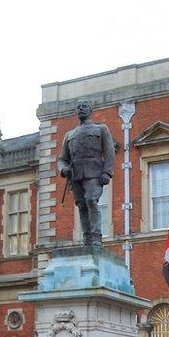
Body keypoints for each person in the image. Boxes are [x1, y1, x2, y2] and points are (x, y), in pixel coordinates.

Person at [58, 100, 115, 247]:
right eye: (78, 108)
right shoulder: (69, 134)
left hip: (94, 172)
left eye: (84, 107)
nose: (81, 110)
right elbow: (62, 159)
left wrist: (107, 172)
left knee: (91, 200)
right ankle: (87, 238)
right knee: (82, 206)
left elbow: (109, 152)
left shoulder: (101, 129)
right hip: (76, 175)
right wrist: (64, 169)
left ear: (90, 110)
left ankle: (96, 237)